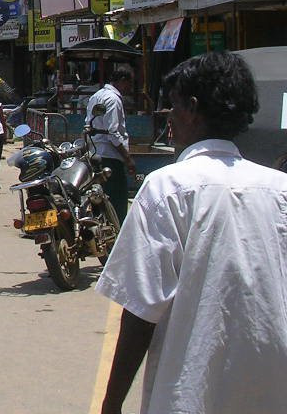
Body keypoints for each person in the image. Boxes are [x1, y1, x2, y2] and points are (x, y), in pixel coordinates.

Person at [97, 52, 287, 414]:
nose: (169, 119)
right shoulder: (279, 189)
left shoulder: (167, 188)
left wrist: (112, 403)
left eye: (173, 107)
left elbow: (140, 311)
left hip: (192, 393)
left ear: (193, 109)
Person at [84, 65, 136, 223]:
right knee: (117, 200)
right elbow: (113, 133)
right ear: (122, 80)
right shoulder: (113, 99)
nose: (130, 88)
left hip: (95, 153)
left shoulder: (97, 95)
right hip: (110, 157)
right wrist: (128, 159)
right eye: (130, 83)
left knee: (99, 199)